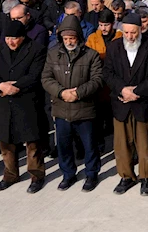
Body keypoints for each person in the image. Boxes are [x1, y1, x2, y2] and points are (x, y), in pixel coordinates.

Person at [103, 13, 148, 196]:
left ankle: (146, 177)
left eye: (133, 33)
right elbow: (108, 73)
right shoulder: (114, 47)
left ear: (141, 30)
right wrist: (123, 90)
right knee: (122, 145)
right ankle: (126, 176)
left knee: (145, 144)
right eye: (126, 33)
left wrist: (137, 92)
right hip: (121, 102)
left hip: (143, 102)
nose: (130, 37)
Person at [41, 15, 104, 192]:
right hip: (61, 109)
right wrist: (61, 92)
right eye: (66, 38)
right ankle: (68, 174)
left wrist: (78, 93)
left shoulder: (91, 55)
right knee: (64, 146)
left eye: (72, 38)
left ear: (78, 37)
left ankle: (91, 174)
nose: (69, 42)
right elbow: (46, 78)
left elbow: (97, 80)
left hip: (84, 109)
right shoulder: (53, 54)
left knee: (89, 145)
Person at [0, 20, 48, 194]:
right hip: (5, 102)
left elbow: (35, 75)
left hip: (27, 101)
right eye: (7, 38)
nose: (10, 42)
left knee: (33, 143)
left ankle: (36, 175)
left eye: (14, 38)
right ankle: (10, 174)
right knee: (5, 142)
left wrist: (15, 86)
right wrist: (1, 85)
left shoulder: (36, 49)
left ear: (22, 37)